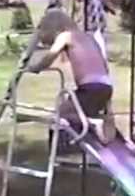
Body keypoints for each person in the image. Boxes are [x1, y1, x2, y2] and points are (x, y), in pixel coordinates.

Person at [26, 8, 116, 145]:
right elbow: (102, 62)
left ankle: (93, 123)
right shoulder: (88, 37)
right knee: (82, 110)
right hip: (105, 85)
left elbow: (50, 56)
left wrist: (36, 68)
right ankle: (104, 135)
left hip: (89, 87)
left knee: (62, 114)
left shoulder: (66, 36)